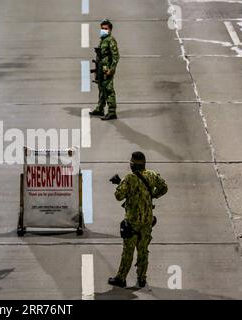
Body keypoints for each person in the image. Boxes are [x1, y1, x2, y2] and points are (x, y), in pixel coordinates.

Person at [108, 151, 168, 288]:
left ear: (133, 165)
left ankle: (121, 278)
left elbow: (119, 196)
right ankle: (141, 278)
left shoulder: (129, 178)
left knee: (128, 250)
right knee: (143, 250)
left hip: (132, 221)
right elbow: (164, 188)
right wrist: (152, 195)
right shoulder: (152, 175)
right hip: (147, 220)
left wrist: (120, 183)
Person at [89, 19, 120, 121]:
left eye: (105, 29)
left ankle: (112, 112)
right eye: (102, 29)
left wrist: (112, 69)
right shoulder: (103, 39)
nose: (103, 30)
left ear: (110, 30)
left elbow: (116, 57)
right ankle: (100, 108)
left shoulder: (111, 40)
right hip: (101, 68)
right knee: (102, 88)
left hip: (107, 69)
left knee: (108, 89)